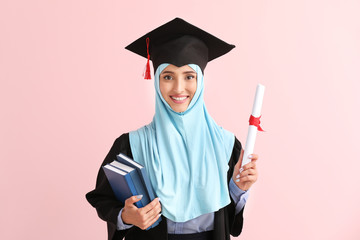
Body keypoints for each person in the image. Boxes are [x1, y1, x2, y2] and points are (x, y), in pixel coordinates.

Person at [86, 18, 259, 240]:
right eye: (168, 77)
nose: (179, 88)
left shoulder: (225, 144)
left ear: (201, 82)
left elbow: (227, 220)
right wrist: (126, 216)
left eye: (189, 76)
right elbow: (102, 198)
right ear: (156, 81)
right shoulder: (131, 144)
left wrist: (238, 187)